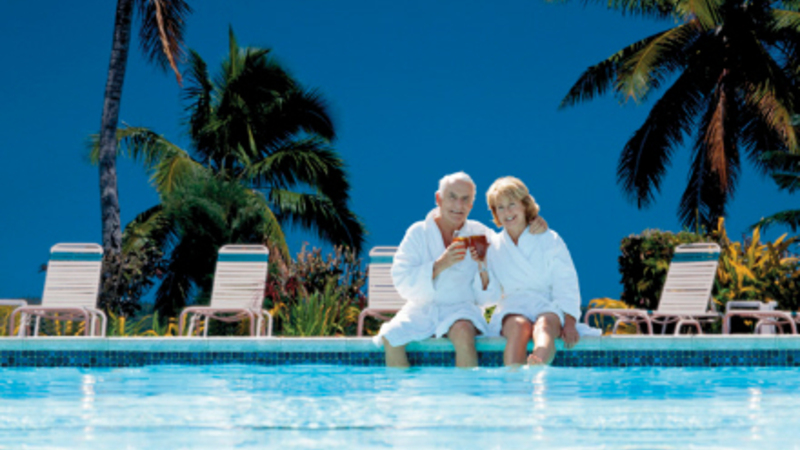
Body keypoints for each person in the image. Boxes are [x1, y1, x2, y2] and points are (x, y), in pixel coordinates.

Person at [375, 172, 545, 368]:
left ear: (471, 205)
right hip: (422, 309)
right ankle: (403, 388)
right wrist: (441, 263)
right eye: (452, 197)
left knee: (463, 333)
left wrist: (532, 222)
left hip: (461, 309)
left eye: (465, 199)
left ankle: (465, 388)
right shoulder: (418, 233)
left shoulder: (480, 234)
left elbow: (510, 242)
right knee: (391, 338)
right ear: (439, 199)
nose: (459, 205)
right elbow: (401, 279)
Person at [484, 176, 582, 366]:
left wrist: (570, 322)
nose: (507, 212)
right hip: (513, 306)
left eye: (512, 204)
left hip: (547, 304)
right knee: (518, 328)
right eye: (500, 207)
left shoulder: (549, 239)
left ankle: (537, 365)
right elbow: (491, 292)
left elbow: (566, 282)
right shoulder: (493, 246)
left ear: (524, 205)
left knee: (544, 326)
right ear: (495, 212)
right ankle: (513, 378)